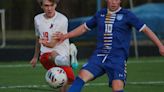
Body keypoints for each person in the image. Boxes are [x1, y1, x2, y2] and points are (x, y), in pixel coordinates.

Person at [54, 0, 164, 92]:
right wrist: (66, 36)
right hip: (99, 55)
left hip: (117, 58)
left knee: (117, 87)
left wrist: (160, 45)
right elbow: (84, 28)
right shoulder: (100, 14)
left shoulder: (127, 15)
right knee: (81, 76)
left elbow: (145, 29)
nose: (114, 2)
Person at [30, 0, 78, 92]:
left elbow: (52, 44)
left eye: (52, 5)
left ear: (55, 5)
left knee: (64, 83)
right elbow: (37, 38)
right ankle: (69, 60)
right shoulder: (37, 19)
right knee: (52, 54)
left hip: (62, 53)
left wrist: (43, 42)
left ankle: (67, 60)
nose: (49, 8)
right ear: (41, 6)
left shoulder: (62, 19)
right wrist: (35, 57)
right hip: (46, 56)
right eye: (46, 5)